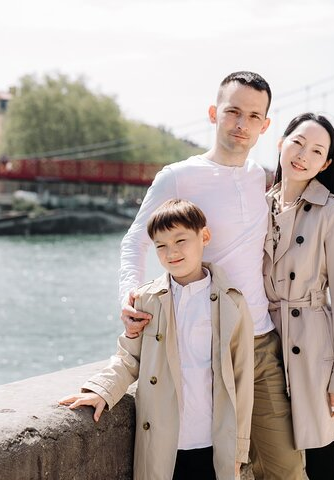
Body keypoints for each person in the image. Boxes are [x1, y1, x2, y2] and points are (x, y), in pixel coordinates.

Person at [120, 71, 303, 478]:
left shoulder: (262, 178)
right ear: (213, 113)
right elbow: (136, 240)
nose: (242, 123)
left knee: (286, 468)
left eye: (254, 116)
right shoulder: (178, 175)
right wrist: (129, 296)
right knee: (221, 469)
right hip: (205, 349)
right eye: (233, 111)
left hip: (260, 341)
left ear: (265, 125)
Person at [59, 199, 254, 480]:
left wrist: (238, 451)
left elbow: (243, 379)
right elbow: (129, 358)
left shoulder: (232, 302)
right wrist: (101, 390)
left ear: (205, 237)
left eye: (180, 240)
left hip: (213, 442)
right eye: (161, 245)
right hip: (163, 441)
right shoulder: (146, 299)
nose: (171, 252)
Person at [263, 113, 334, 479]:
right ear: (280, 143)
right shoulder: (258, 207)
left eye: (316, 151)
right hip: (266, 348)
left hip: (315, 354)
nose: (302, 155)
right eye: (297, 142)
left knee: (323, 467)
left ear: (325, 163)